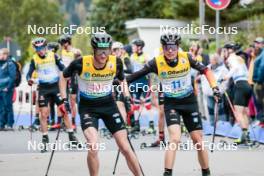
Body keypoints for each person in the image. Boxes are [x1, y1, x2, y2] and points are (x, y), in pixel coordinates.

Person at [126, 33, 220, 176]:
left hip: (189, 102)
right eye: (166, 47)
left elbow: (206, 70)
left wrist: (215, 88)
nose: (170, 51)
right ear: (162, 48)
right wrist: (118, 82)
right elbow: (135, 76)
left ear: (177, 47)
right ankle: (167, 173)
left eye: (173, 47)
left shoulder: (186, 58)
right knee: (175, 138)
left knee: (198, 141)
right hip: (172, 104)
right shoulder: (156, 62)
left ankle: (206, 172)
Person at [63, 33, 142, 176]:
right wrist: (64, 99)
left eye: (106, 50)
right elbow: (63, 78)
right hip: (88, 108)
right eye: (100, 50)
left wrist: (127, 98)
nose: (103, 54)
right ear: (94, 50)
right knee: (93, 146)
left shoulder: (116, 62)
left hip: (108, 106)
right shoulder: (80, 63)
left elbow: (123, 80)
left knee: (125, 147)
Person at [26, 37, 78, 152]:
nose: (40, 50)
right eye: (38, 48)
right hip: (44, 89)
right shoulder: (34, 59)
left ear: (45, 47)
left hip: (56, 87)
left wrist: (67, 75)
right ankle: (45, 140)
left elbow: (63, 68)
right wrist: (29, 79)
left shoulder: (53, 56)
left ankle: (72, 138)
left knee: (64, 111)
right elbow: (29, 73)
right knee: (43, 115)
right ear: (35, 49)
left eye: (42, 48)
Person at [221, 42, 252, 144]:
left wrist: (226, 77)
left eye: (224, 51)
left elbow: (234, 68)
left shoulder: (231, 58)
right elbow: (246, 72)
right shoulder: (240, 58)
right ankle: (246, 136)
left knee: (238, 112)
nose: (224, 53)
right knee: (243, 112)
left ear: (229, 50)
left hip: (240, 85)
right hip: (247, 85)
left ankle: (245, 137)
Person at [53, 34, 81, 131]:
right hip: (64, 77)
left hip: (73, 77)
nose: (61, 45)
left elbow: (79, 62)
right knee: (61, 99)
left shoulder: (75, 51)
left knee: (72, 101)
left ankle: (73, 122)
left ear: (67, 42)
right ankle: (60, 121)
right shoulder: (62, 51)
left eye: (62, 43)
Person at [130, 39, 153, 133]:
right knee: (136, 105)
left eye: (134, 46)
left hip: (144, 82)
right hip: (135, 83)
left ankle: (151, 125)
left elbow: (150, 71)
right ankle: (136, 125)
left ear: (139, 47)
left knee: (147, 105)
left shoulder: (146, 56)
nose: (132, 48)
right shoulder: (132, 56)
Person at [201, 53, 229, 126]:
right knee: (210, 110)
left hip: (218, 93)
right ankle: (212, 125)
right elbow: (203, 80)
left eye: (213, 59)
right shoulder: (207, 68)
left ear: (216, 60)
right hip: (209, 93)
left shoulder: (223, 69)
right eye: (210, 59)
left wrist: (220, 91)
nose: (211, 60)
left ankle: (222, 125)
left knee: (220, 110)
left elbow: (225, 82)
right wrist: (205, 91)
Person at [0, 48, 17, 131]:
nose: (0, 56)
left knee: (8, 107)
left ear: (5, 55)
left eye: (1, 54)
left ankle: (9, 124)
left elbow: (12, 76)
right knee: (1, 107)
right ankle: (1, 124)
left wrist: (8, 87)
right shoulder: (1, 63)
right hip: (0, 88)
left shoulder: (10, 63)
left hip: (7, 89)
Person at [253, 37, 264, 127]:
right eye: (255, 43)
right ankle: (261, 121)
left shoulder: (263, 54)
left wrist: (259, 81)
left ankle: (262, 121)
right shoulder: (259, 54)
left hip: (260, 82)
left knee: (260, 102)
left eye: (258, 43)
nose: (256, 45)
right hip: (259, 81)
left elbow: (262, 67)